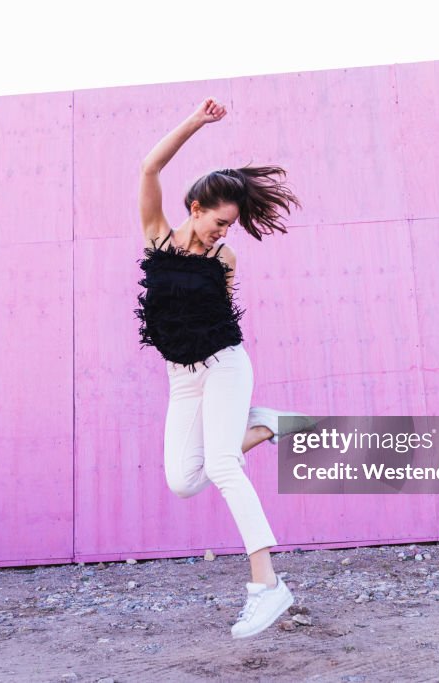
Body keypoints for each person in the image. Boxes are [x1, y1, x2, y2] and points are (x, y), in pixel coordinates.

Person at [134, 97, 318, 639]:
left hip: (225, 365)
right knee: (182, 480)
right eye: (219, 221)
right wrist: (196, 121)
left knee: (221, 464)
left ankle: (267, 586)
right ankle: (270, 423)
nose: (224, 232)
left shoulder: (225, 261)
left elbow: (222, 322)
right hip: (182, 377)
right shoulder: (157, 237)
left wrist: (228, 383)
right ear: (194, 207)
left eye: (231, 225)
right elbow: (149, 168)